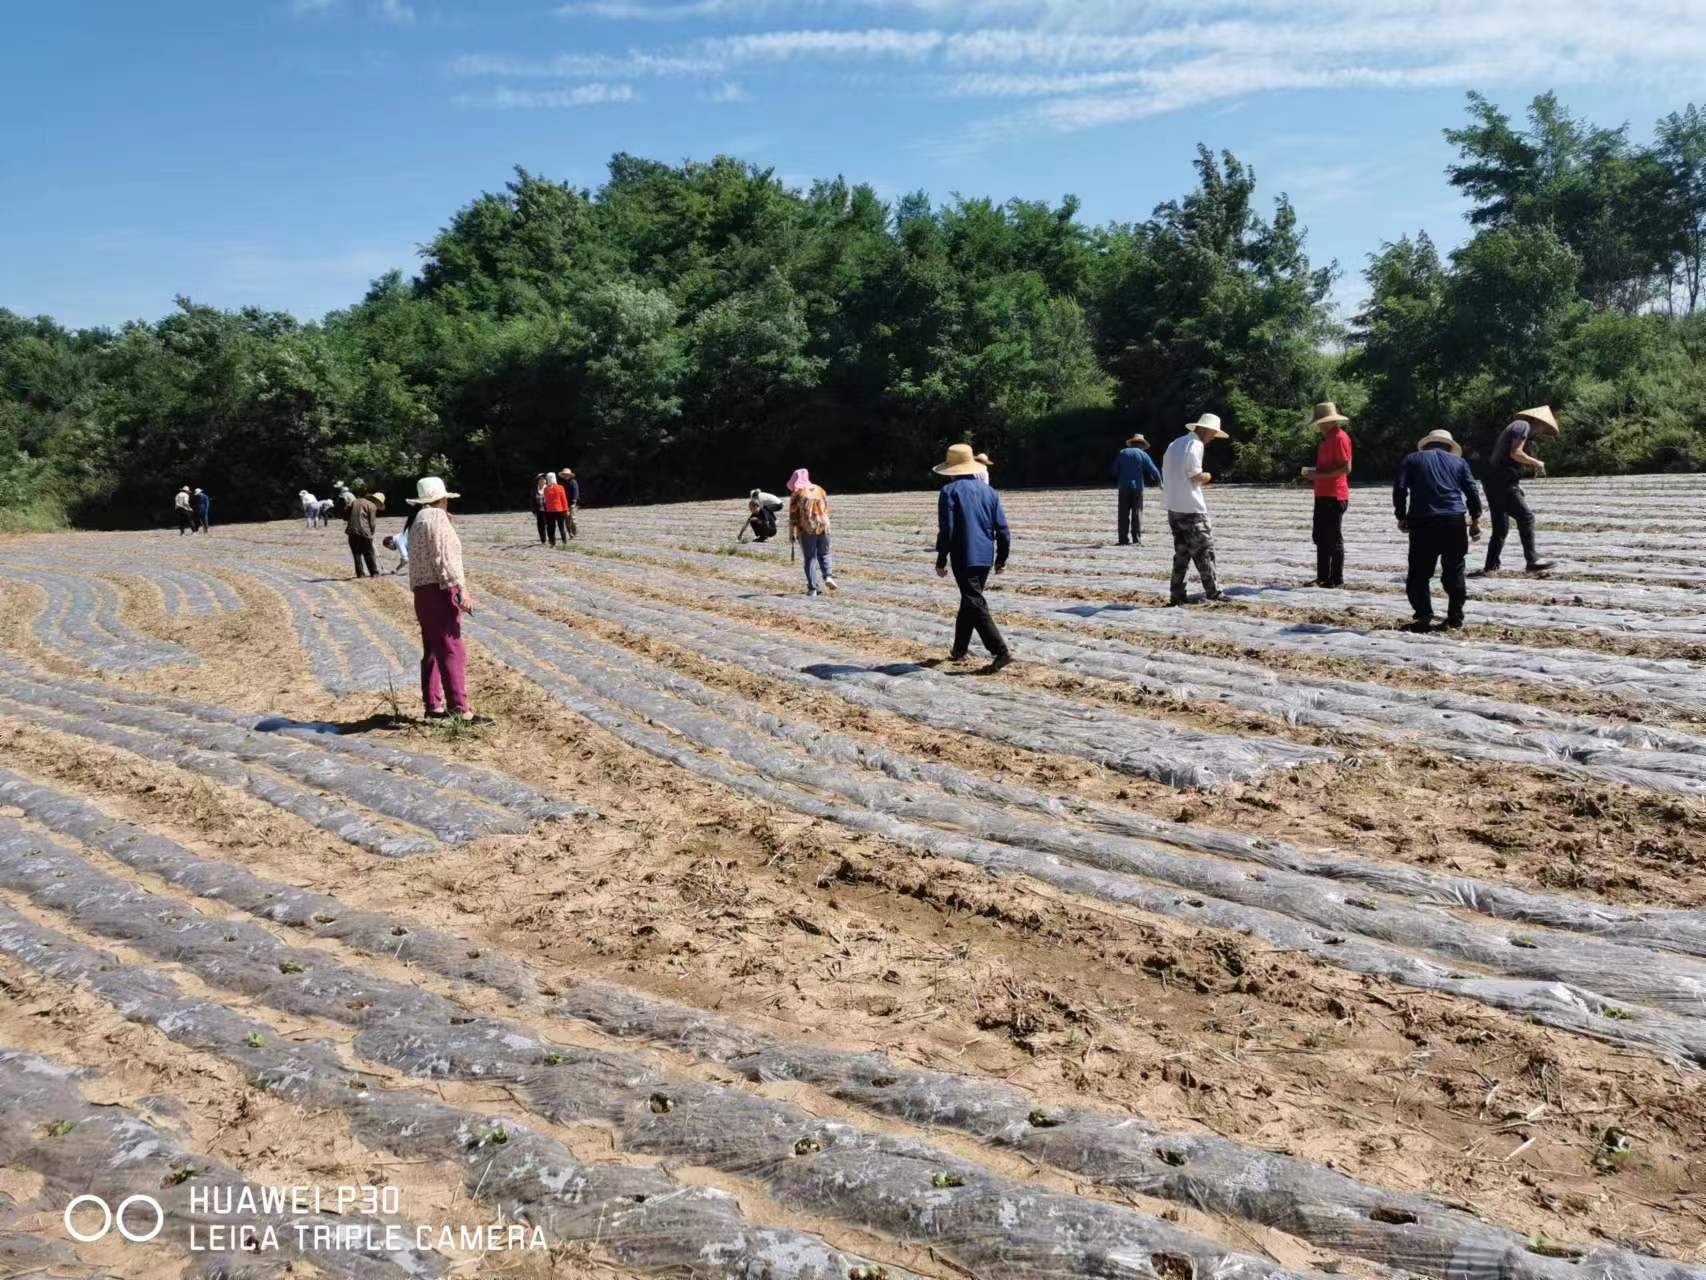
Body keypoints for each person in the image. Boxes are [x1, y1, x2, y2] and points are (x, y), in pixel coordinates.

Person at [406, 476, 489, 724]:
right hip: (440, 589)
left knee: (433, 648)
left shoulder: (418, 520)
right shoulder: (436, 517)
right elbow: (444, 557)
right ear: (442, 499)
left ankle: (433, 705)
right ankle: (460, 710)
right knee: (453, 648)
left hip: (422, 592)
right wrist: (459, 588)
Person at [1394, 429, 1484, 632]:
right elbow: (1472, 490)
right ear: (1450, 447)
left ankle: (1424, 616)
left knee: (1419, 573)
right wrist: (1475, 520)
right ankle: (1455, 617)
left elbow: (1400, 489)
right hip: (1454, 520)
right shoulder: (1459, 462)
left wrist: (1401, 516)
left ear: (1426, 445)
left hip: (1423, 520)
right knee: (1455, 569)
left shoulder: (1412, 459)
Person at [934, 443, 1012, 668]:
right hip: (985, 556)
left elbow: (946, 530)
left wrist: (941, 560)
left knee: (974, 601)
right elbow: (1003, 530)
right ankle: (959, 650)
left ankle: (1000, 651)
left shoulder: (948, 492)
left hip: (963, 555)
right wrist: (1001, 559)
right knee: (969, 601)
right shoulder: (989, 491)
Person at [1161, 414, 1229, 605]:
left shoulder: (1174, 444)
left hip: (1173, 507)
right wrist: (1207, 476)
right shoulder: (1196, 445)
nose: (1213, 437)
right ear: (1206, 430)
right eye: (1214, 433)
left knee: (1182, 554)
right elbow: (1195, 476)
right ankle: (1214, 592)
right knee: (1204, 552)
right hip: (1192, 508)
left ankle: (1177, 594)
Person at [1482, 405, 1558, 575]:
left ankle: (1490, 566)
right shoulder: (1522, 425)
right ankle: (1532, 560)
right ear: (1538, 422)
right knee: (1526, 517)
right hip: (1502, 482)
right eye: (1542, 428)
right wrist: (1537, 463)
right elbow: (1516, 453)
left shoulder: (1517, 427)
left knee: (1501, 527)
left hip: (1494, 481)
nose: (1540, 432)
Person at [1300, 402, 1353, 586]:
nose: (1318, 425)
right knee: (1320, 537)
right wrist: (1314, 474)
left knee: (1333, 538)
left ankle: (1336, 579)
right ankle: (1323, 577)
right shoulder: (1326, 439)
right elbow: (1329, 467)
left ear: (1327, 422)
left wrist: (1317, 475)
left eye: (1320, 422)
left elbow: (1346, 468)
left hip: (1334, 495)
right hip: (1323, 493)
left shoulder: (1339, 438)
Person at [787, 468, 837, 596]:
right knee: (824, 553)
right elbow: (826, 508)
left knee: (810, 558)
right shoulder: (820, 489)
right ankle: (828, 577)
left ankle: (813, 588)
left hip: (807, 529)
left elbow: (793, 516)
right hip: (824, 526)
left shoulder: (797, 493)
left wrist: (791, 533)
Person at [1111, 433, 1162, 546]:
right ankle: (1136, 540)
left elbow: (1114, 470)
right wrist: (1160, 483)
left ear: (1132, 444)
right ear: (1141, 445)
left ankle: (1123, 540)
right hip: (1138, 488)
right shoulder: (1142, 454)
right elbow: (1153, 469)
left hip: (1123, 487)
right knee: (1137, 513)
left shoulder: (1122, 453)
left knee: (1123, 514)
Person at [345, 491, 384, 578]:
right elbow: (372, 523)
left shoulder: (355, 501)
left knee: (356, 553)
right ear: (377, 501)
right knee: (369, 553)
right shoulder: (372, 506)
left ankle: (360, 574)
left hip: (351, 531)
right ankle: (374, 573)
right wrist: (371, 533)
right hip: (364, 532)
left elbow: (346, 516)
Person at [541, 472, 570, 547]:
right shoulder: (560, 487)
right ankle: (564, 541)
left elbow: (545, 501)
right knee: (561, 526)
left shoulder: (546, 489)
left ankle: (552, 542)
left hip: (550, 511)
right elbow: (564, 500)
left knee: (551, 527)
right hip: (559, 509)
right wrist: (566, 510)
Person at [561, 468, 580, 538]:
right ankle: (570, 533)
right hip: (564, 503)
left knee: (573, 519)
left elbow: (576, 492)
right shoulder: (561, 483)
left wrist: (574, 502)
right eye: (564, 475)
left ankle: (575, 532)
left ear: (570, 475)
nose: (566, 476)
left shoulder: (573, 482)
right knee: (566, 519)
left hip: (572, 503)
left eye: (567, 475)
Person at [532, 474, 549, 545]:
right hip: (539, 510)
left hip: (548, 510)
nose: (542, 480)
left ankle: (551, 538)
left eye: (543, 479)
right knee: (541, 526)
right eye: (540, 479)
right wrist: (533, 511)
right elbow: (532, 501)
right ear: (538, 481)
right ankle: (543, 540)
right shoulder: (535, 490)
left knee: (549, 524)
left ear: (546, 481)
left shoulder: (549, 488)